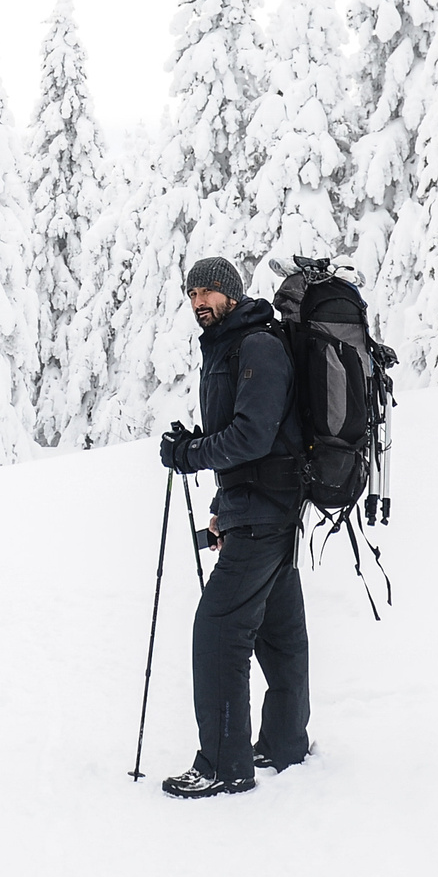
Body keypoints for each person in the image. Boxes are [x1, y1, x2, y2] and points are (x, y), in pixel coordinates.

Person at [155, 255, 309, 799]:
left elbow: (252, 436)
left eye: (207, 291)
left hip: (267, 513)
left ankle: (225, 766)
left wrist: (189, 453)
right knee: (277, 632)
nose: (198, 301)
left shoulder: (257, 346)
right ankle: (285, 744)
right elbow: (254, 441)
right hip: (265, 510)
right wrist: (225, 507)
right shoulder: (231, 346)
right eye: (191, 293)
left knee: (219, 631)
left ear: (231, 293)